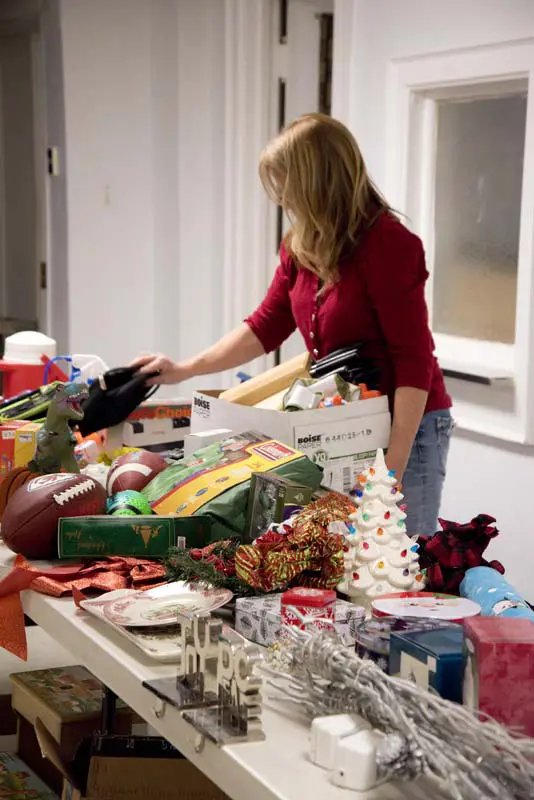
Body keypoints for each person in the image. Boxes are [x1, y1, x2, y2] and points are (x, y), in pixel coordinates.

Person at [132, 113, 453, 535]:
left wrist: (393, 462)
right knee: (345, 558)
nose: (284, 200)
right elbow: (265, 326)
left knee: (399, 554)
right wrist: (183, 369)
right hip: (344, 427)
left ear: (318, 183)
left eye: (287, 186)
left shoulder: (389, 245)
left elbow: (413, 360)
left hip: (407, 425)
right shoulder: (302, 246)